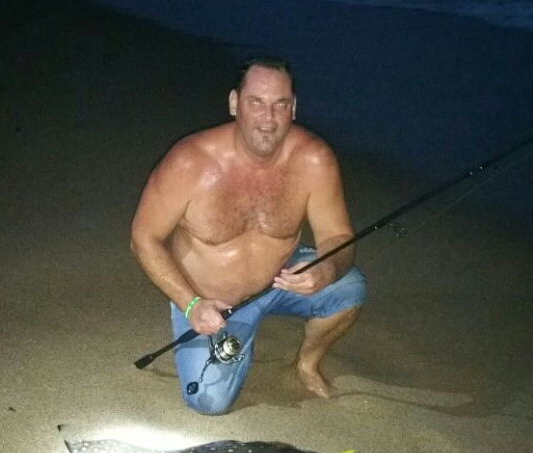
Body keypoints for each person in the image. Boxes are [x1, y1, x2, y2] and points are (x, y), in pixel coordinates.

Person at [130, 56, 366, 414]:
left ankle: (306, 362)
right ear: (234, 103)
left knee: (350, 288)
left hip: (279, 280)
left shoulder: (314, 160)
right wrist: (190, 304)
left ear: (294, 108)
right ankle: (234, 335)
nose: (268, 119)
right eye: (256, 102)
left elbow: (338, 236)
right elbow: (143, 238)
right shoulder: (189, 163)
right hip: (210, 302)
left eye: (280, 104)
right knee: (208, 401)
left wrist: (326, 269)